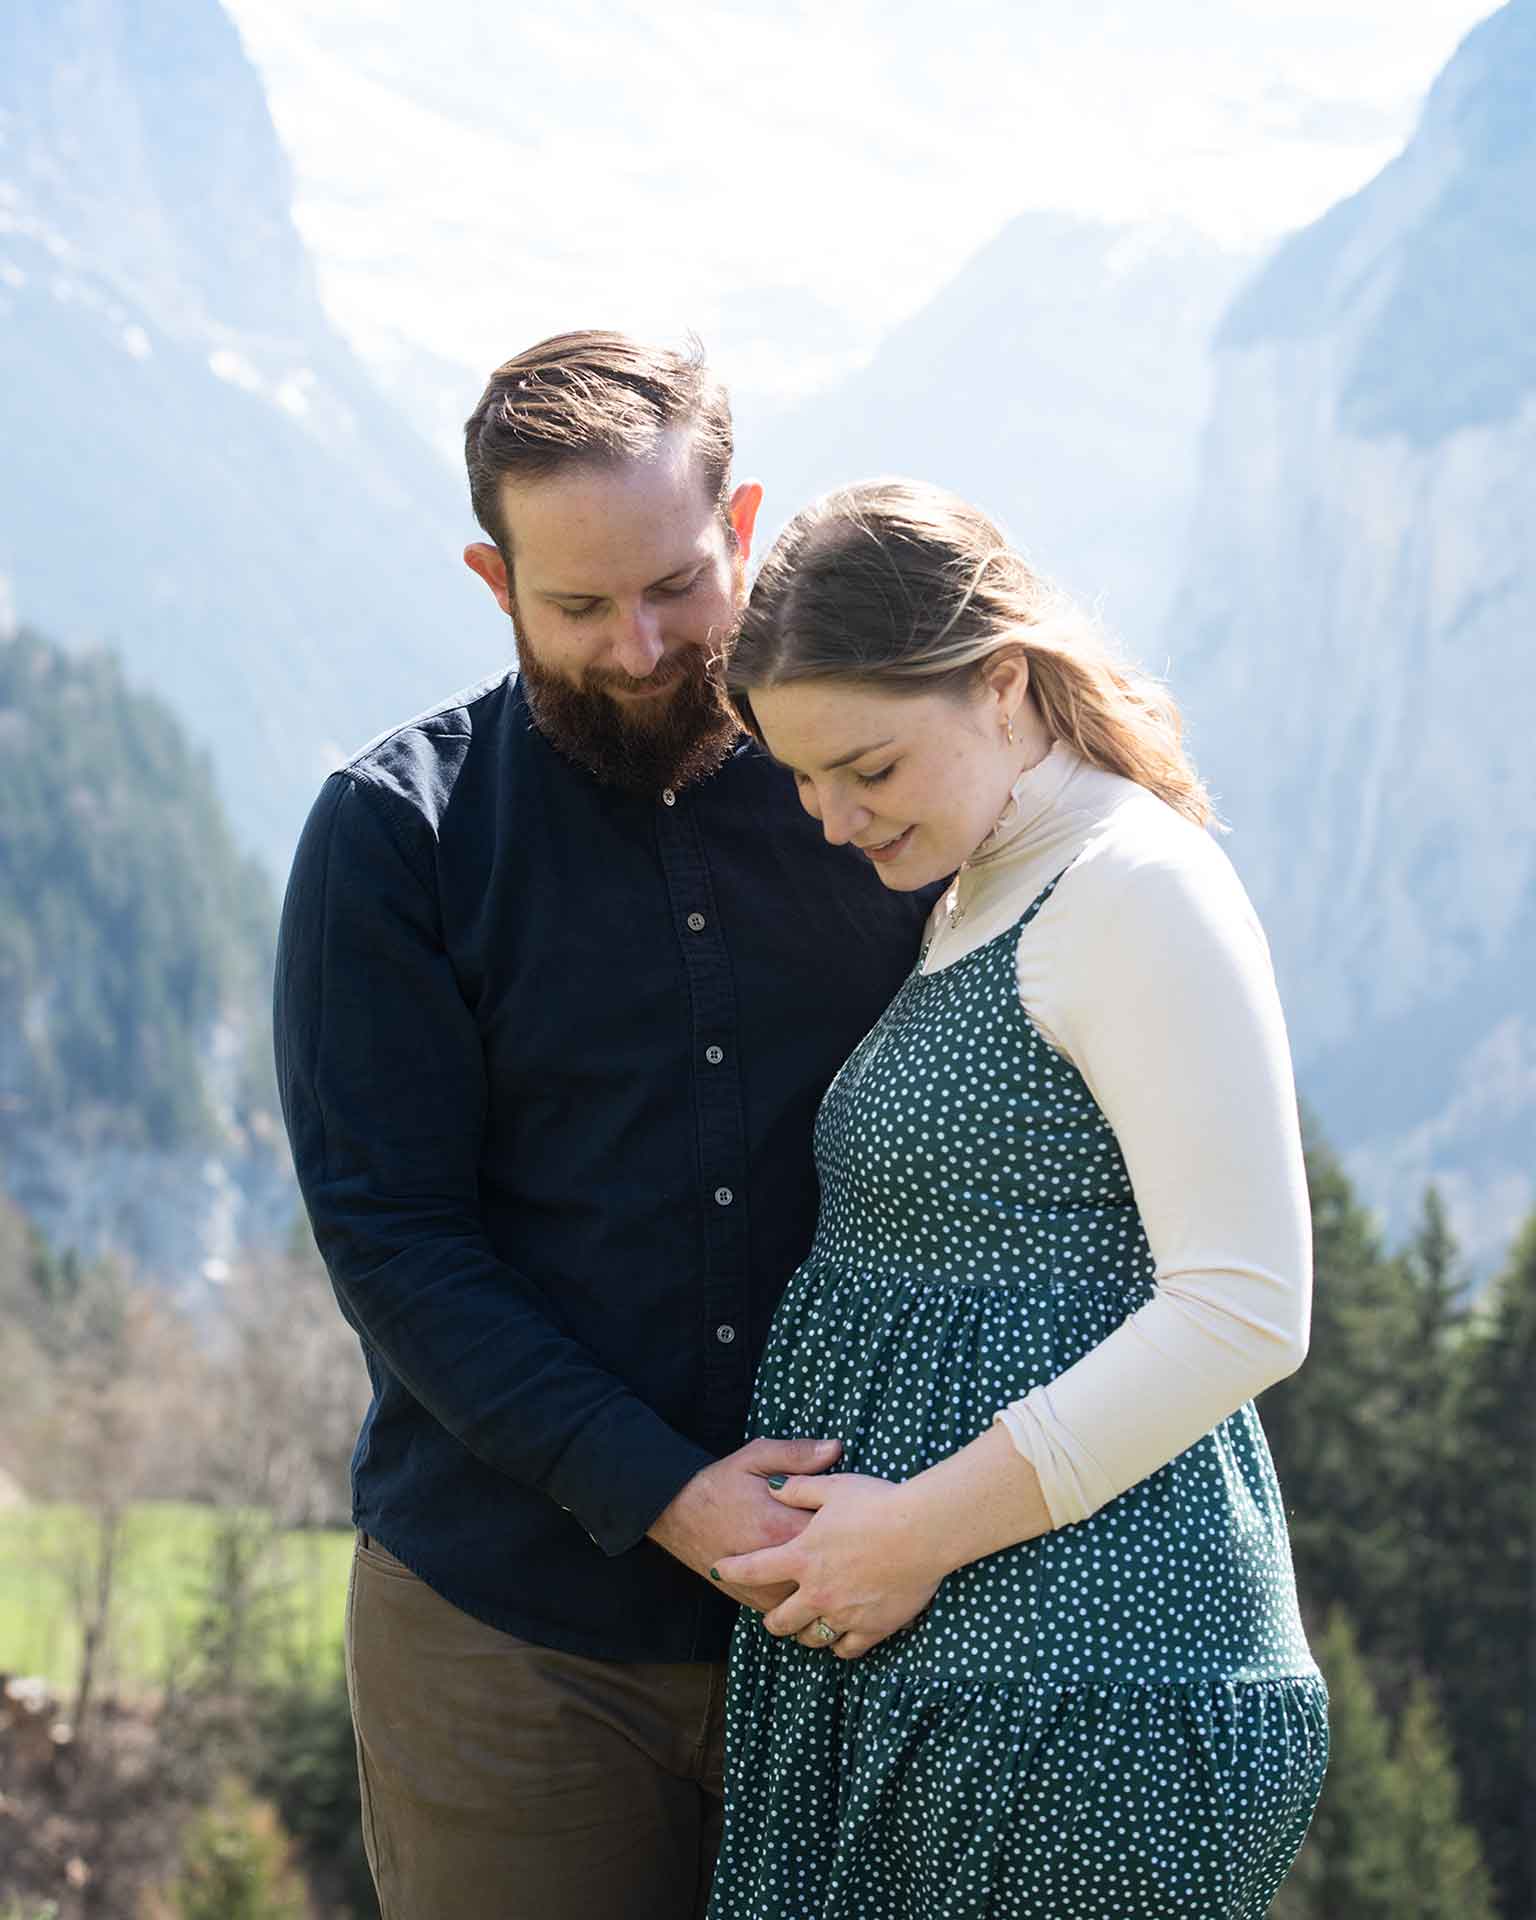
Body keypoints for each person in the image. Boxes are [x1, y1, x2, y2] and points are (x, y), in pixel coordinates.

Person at [271, 337, 934, 1920]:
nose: (638, 647)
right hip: (508, 1644)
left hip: (877, 1606)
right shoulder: (391, 839)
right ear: (491, 576)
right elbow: (397, 1245)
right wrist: (672, 1492)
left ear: (745, 524)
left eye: (674, 589)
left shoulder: (889, 793)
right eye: (576, 607)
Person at [705, 479, 1330, 1919]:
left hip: (1083, 1689)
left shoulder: (1131, 884)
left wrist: (914, 1529)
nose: (832, 820)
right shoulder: (987, 880)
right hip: (967, 1679)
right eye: (802, 778)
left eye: (868, 767)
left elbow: (1246, 1310)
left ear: (1000, 683)